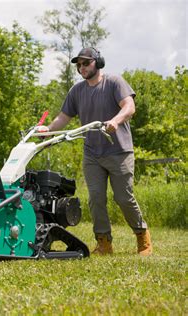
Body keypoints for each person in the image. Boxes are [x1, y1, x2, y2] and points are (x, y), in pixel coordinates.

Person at [39, 47, 152, 256]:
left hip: (119, 150)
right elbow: (64, 117)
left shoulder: (114, 82)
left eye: (85, 63)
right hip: (92, 153)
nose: (81, 68)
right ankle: (103, 242)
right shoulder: (77, 91)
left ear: (98, 62)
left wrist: (116, 121)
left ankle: (142, 235)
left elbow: (129, 106)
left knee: (123, 198)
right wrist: (48, 130)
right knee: (96, 198)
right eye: (78, 65)